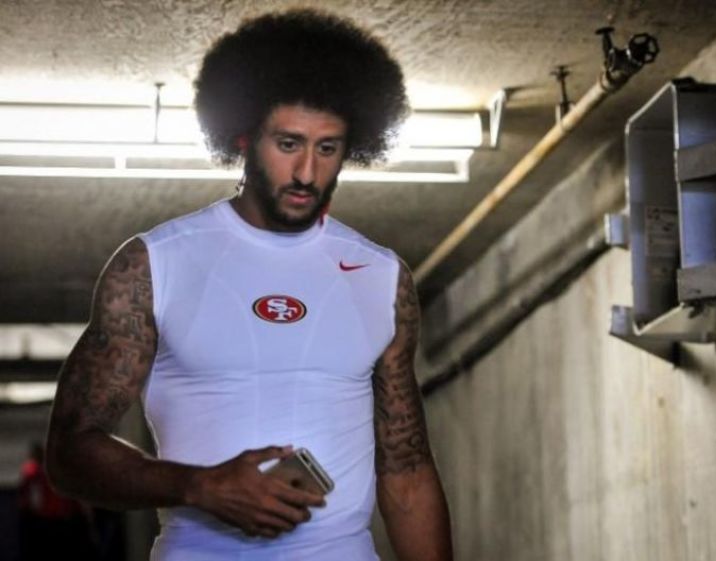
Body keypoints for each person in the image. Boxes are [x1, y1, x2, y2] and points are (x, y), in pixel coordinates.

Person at [45, 9, 452, 561]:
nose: (308, 172)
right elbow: (70, 453)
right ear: (243, 137)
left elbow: (405, 471)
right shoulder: (152, 266)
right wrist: (196, 485)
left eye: (327, 148)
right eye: (288, 144)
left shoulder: (381, 278)